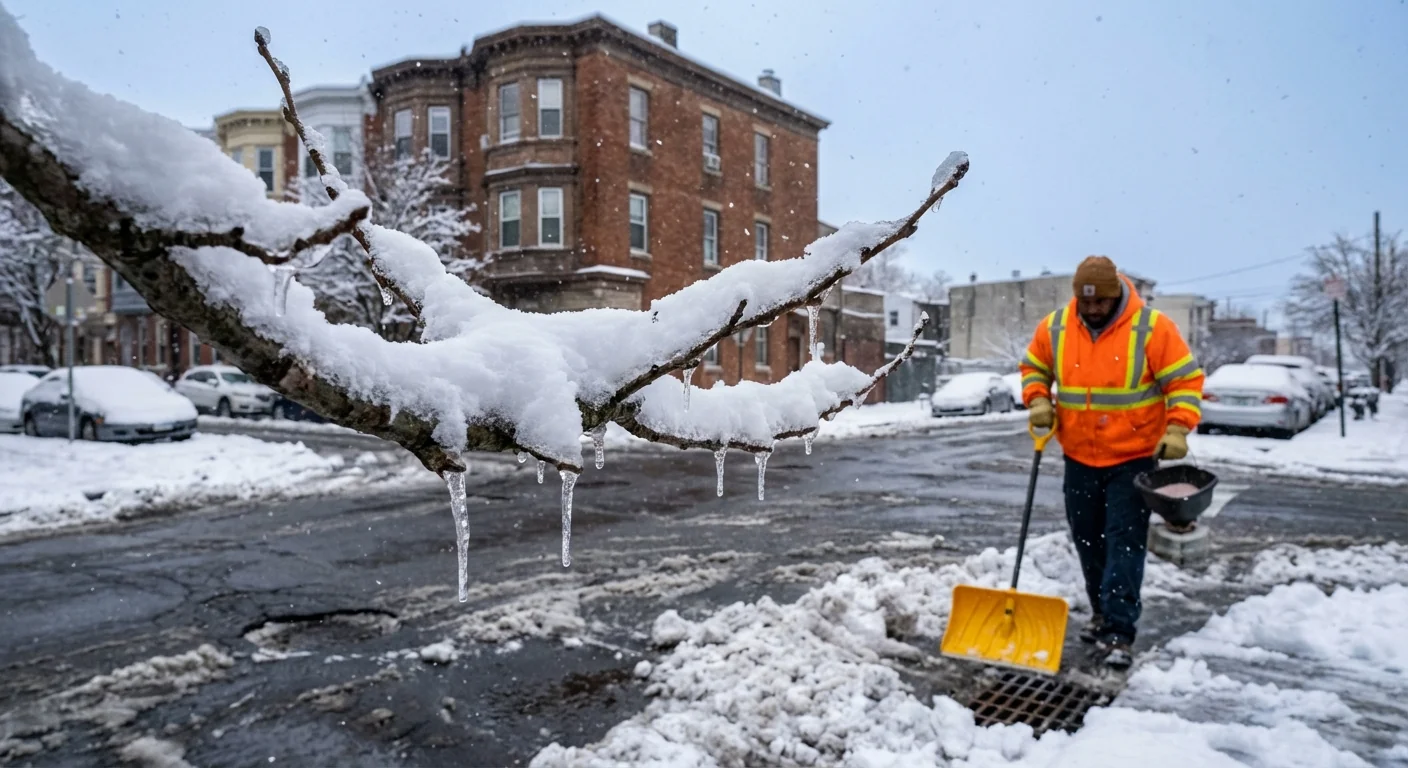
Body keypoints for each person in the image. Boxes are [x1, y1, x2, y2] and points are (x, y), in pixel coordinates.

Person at [1018, 256, 1204, 670]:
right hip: (1078, 456)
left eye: (1101, 302)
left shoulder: (1152, 328)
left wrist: (1177, 428)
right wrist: (1038, 401)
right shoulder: (1056, 327)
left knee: (1124, 543)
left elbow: (1185, 381)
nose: (1094, 310)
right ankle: (1101, 612)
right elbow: (1034, 366)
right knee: (1087, 540)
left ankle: (1119, 631)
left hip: (1132, 459)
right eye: (1086, 302)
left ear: (1115, 293)